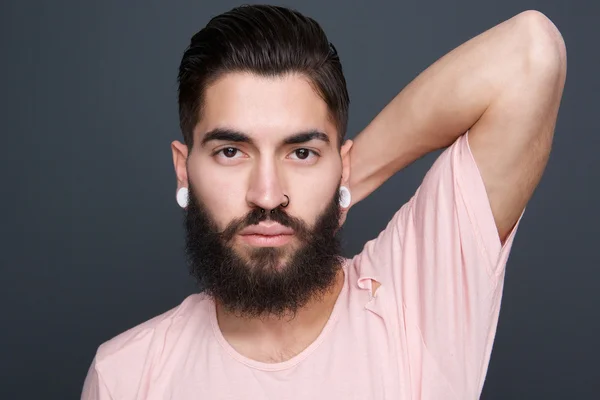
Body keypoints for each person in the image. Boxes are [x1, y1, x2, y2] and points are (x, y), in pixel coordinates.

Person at [81, 4, 566, 399]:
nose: (268, 194)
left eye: (302, 152)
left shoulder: (414, 308)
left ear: (342, 164)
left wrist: (343, 188)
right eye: (231, 151)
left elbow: (531, 53)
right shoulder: (126, 376)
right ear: (184, 170)